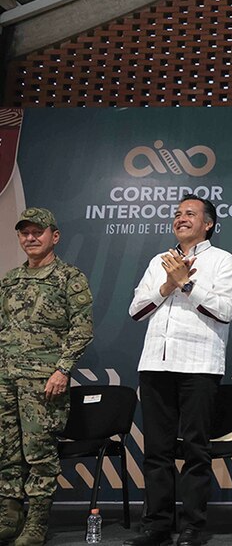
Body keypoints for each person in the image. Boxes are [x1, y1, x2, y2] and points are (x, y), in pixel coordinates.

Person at [125, 196, 232, 546]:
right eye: (177, 214)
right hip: (155, 365)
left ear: (208, 224)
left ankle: (192, 527)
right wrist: (168, 283)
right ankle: (157, 524)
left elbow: (225, 310)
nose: (181, 218)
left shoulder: (223, 261)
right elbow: (135, 310)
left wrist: (187, 284)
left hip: (199, 365)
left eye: (190, 214)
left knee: (195, 448)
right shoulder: (158, 261)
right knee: (156, 450)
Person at [0, 208, 93, 546]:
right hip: (5, 377)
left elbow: (82, 329)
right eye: (25, 232)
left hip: (44, 379)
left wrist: (62, 369)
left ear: (54, 236)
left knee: (39, 452)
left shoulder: (69, 277)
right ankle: (10, 516)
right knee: (5, 451)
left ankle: (37, 522)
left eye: (38, 232)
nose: (30, 238)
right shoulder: (9, 280)